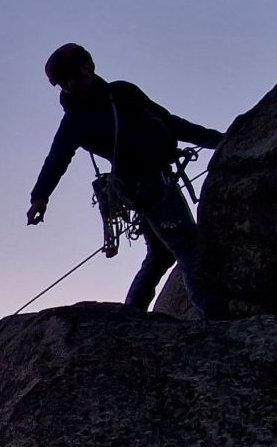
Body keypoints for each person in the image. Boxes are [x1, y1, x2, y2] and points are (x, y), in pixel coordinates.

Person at [26, 43, 228, 317]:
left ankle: (130, 316)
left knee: (161, 255)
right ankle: (214, 317)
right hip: (147, 187)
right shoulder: (76, 120)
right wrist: (40, 196)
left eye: (73, 75)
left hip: (151, 183)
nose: (71, 84)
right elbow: (57, 158)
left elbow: (168, 121)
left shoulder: (122, 92)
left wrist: (217, 139)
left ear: (89, 66)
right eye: (63, 82)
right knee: (188, 245)